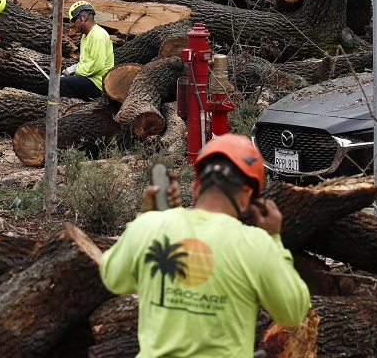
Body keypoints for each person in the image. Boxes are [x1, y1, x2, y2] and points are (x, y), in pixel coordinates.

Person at [98, 135, 311, 357]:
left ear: (196, 186)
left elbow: (113, 279)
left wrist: (146, 216)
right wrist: (274, 238)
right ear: (247, 196)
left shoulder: (149, 226)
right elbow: (293, 313)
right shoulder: (257, 244)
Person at [59, 1, 114, 101]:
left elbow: (96, 66)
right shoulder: (85, 36)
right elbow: (86, 62)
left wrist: (74, 70)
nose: (72, 24)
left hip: (98, 82)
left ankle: (65, 112)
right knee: (62, 81)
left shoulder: (98, 35)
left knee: (61, 83)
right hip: (89, 78)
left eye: (74, 20)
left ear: (84, 17)